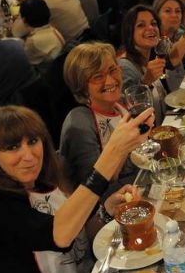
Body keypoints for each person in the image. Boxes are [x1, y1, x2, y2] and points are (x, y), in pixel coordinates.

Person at [0, 104, 152, 273]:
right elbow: (60, 236)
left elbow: (80, 234)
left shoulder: (45, 184)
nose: (29, 156)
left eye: (32, 141)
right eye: (13, 147)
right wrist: (113, 152)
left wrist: (106, 210)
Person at [60, 42, 148, 192]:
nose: (110, 81)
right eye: (98, 76)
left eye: (113, 70)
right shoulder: (79, 124)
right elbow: (95, 189)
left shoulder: (121, 103)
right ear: (81, 85)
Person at [118, 5, 176, 125]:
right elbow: (131, 112)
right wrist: (147, 81)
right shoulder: (124, 67)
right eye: (141, 25)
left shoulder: (149, 59)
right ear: (129, 32)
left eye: (153, 23)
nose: (150, 28)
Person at [19, 0, 64, 74]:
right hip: (60, 67)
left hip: (47, 75)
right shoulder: (53, 29)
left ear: (24, 20)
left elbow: (24, 63)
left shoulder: (32, 41)